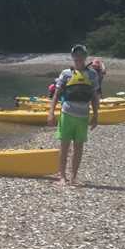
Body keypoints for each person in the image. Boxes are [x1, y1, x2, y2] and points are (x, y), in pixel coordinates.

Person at [48, 44, 100, 186]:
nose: (78, 57)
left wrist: (96, 115)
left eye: (81, 55)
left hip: (83, 117)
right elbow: (56, 94)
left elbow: (95, 97)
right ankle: (62, 177)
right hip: (67, 114)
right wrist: (51, 113)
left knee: (78, 148)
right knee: (64, 147)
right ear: (72, 56)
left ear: (85, 56)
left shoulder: (92, 74)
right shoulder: (66, 74)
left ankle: (74, 177)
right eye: (76, 55)